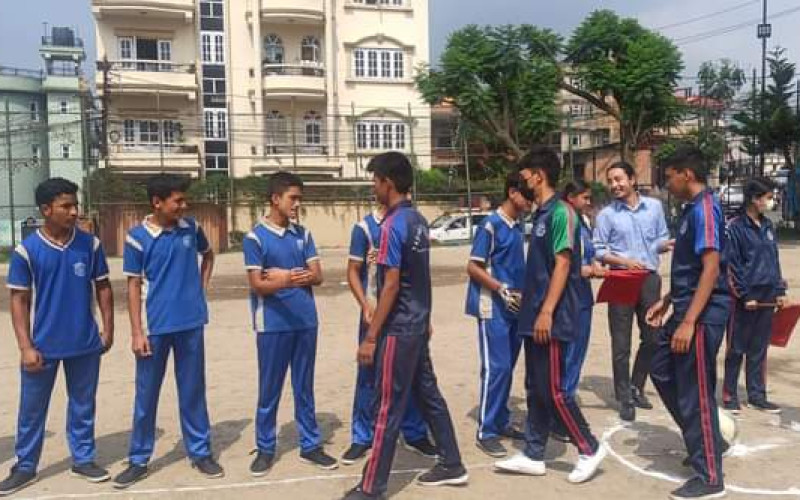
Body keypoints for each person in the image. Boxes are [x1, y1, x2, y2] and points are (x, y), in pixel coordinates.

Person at [344, 152, 467, 499]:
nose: (373, 187)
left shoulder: (392, 225)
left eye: (375, 181)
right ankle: (452, 462)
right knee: (428, 395)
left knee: (387, 405)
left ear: (388, 183)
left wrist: (371, 337)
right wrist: (424, 319)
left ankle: (372, 487)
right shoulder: (419, 220)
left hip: (399, 328)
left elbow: (392, 285)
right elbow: (420, 279)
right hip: (416, 325)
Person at [495, 147, 606, 484]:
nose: (522, 181)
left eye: (525, 175)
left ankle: (589, 447)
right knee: (535, 386)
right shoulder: (541, 214)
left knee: (555, 390)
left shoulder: (561, 213)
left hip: (553, 317)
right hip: (534, 315)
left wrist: (546, 311)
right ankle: (533, 453)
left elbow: (563, 263)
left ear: (539, 176)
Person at [0, 179, 114, 496]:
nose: (74, 211)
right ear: (46, 209)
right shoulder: (27, 251)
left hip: (84, 342)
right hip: (42, 347)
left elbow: (103, 287)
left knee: (83, 404)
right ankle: (25, 466)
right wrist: (25, 346)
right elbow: (19, 300)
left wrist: (108, 329)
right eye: (66, 206)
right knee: (32, 409)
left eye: (75, 205)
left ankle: (83, 459)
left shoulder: (90, 245)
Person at [114, 174, 223, 488]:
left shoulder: (191, 228)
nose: (184, 206)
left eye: (184, 200)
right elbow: (133, 285)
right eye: (178, 201)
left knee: (193, 390)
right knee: (146, 395)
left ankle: (200, 452)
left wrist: (200, 290)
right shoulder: (137, 238)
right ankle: (139, 459)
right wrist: (137, 332)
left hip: (190, 323)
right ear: (157, 202)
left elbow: (208, 255)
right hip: (155, 328)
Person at [646, 146, 731, 499]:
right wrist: (667, 300)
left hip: (701, 315)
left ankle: (709, 474)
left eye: (669, 177)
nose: (667, 184)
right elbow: (692, 270)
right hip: (684, 308)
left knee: (695, 392)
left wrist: (689, 321)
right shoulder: (691, 210)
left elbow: (711, 268)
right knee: (660, 368)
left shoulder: (706, 209)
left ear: (687, 174)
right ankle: (708, 440)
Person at [243, 172, 338, 475]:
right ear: (275, 199)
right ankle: (265, 448)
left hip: (306, 321)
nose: (297, 204)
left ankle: (310, 445)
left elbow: (318, 275)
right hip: (272, 324)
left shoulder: (303, 235)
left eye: (299, 198)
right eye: (293, 198)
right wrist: (290, 278)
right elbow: (258, 284)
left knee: (304, 386)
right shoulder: (255, 238)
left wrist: (285, 277)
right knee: (269, 389)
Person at [342, 203, 437, 465]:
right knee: (367, 375)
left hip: (405, 316)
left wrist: (425, 315)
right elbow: (352, 271)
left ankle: (415, 433)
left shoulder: (409, 224)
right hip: (374, 314)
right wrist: (365, 305)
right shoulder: (364, 228)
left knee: (410, 375)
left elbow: (419, 274)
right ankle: (362, 436)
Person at [594, 161, 672, 422]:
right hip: (621, 279)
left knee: (653, 336)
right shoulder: (606, 215)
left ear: (632, 179)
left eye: (619, 179)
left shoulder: (654, 207)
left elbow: (660, 238)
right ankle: (624, 396)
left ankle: (637, 386)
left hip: (649, 279)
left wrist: (665, 245)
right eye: (610, 181)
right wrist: (624, 261)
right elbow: (598, 249)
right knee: (621, 342)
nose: (614, 185)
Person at [465, 172, 531, 457]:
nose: (530, 202)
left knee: (508, 367)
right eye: (527, 196)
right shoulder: (490, 225)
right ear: (512, 192)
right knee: (497, 367)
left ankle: (501, 419)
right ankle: (486, 430)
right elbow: (473, 266)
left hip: (515, 307)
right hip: (492, 307)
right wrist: (501, 289)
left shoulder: (518, 226)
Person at [722, 177, 788, 415]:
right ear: (754, 199)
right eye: (768, 197)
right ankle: (729, 395)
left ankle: (757, 395)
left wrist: (779, 290)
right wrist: (744, 294)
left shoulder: (768, 226)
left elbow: (773, 260)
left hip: (767, 294)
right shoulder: (734, 227)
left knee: (759, 349)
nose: (772, 201)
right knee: (736, 347)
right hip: (744, 298)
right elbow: (732, 265)